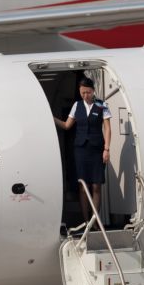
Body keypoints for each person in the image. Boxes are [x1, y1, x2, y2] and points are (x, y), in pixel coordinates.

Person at [54, 77, 111, 223]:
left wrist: (106, 149)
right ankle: (86, 221)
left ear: (93, 91)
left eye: (88, 92)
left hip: (97, 149)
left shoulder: (102, 105)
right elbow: (67, 126)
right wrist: (51, 117)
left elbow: (108, 128)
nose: (85, 95)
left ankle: (95, 220)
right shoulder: (76, 105)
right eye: (83, 92)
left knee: (96, 185)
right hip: (81, 150)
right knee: (83, 186)